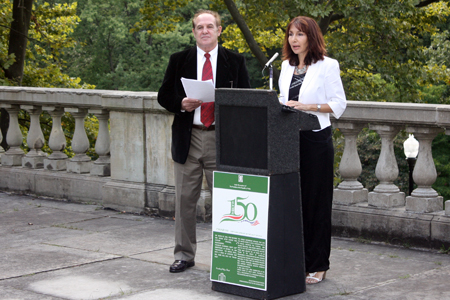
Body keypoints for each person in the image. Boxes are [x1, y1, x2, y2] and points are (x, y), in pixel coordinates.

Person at [158, 9, 251, 273]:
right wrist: (182, 103)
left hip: (221, 139)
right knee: (185, 200)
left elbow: (246, 101)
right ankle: (184, 255)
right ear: (194, 31)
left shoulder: (234, 60)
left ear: (219, 30)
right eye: (200, 27)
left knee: (226, 203)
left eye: (210, 26)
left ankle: (228, 258)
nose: (205, 31)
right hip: (189, 137)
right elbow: (163, 95)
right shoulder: (179, 60)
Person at [278, 16, 347, 284]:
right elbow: (284, 101)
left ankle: (319, 264)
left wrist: (308, 106)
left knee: (316, 203)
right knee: (294, 203)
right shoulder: (285, 67)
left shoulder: (328, 66)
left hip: (316, 140)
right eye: (291, 34)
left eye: (300, 35)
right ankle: (298, 260)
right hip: (288, 140)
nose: (294, 40)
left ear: (311, 37)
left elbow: (338, 104)